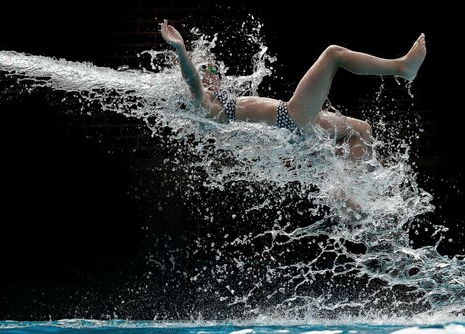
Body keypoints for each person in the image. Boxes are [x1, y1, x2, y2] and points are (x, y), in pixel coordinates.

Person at [160, 19, 427, 214]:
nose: (213, 77)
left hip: (294, 127)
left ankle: (345, 191)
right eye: (208, 73)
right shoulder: (207, 107)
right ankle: (402, 68)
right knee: (333, 54)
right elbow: (193, 82)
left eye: (215, 71)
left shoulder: (223, 104)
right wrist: (181, 51)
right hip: (290, 117)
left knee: (362, 130)